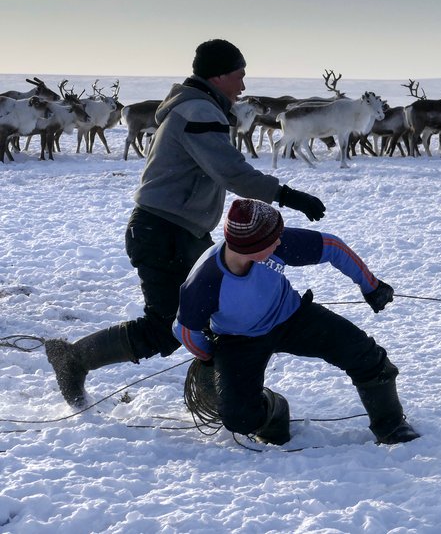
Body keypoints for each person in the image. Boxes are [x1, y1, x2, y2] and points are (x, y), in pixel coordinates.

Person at [46, 39, 327, 408]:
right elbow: (231, 172)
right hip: (162, 231)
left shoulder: (196, 107)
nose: (243, 87)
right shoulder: (198, 111)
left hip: (180, 231)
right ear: (219, 74)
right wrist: (289, 195)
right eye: (239, 76)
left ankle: (221, 398)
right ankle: (73, 359)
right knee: (166, 327)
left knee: (213, 311)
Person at [174, 198, 419, 445]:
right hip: (238, 340)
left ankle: (391, 425)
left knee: (364, 353)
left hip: (290, 316)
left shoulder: (272, 244)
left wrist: (371, 286)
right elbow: (184, 330)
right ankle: (274, 411)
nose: (280, 242)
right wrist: (209, 357)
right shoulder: (206, 279)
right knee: (239, 417)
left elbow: (332, 246)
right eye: (274, 240)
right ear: (251, 248)